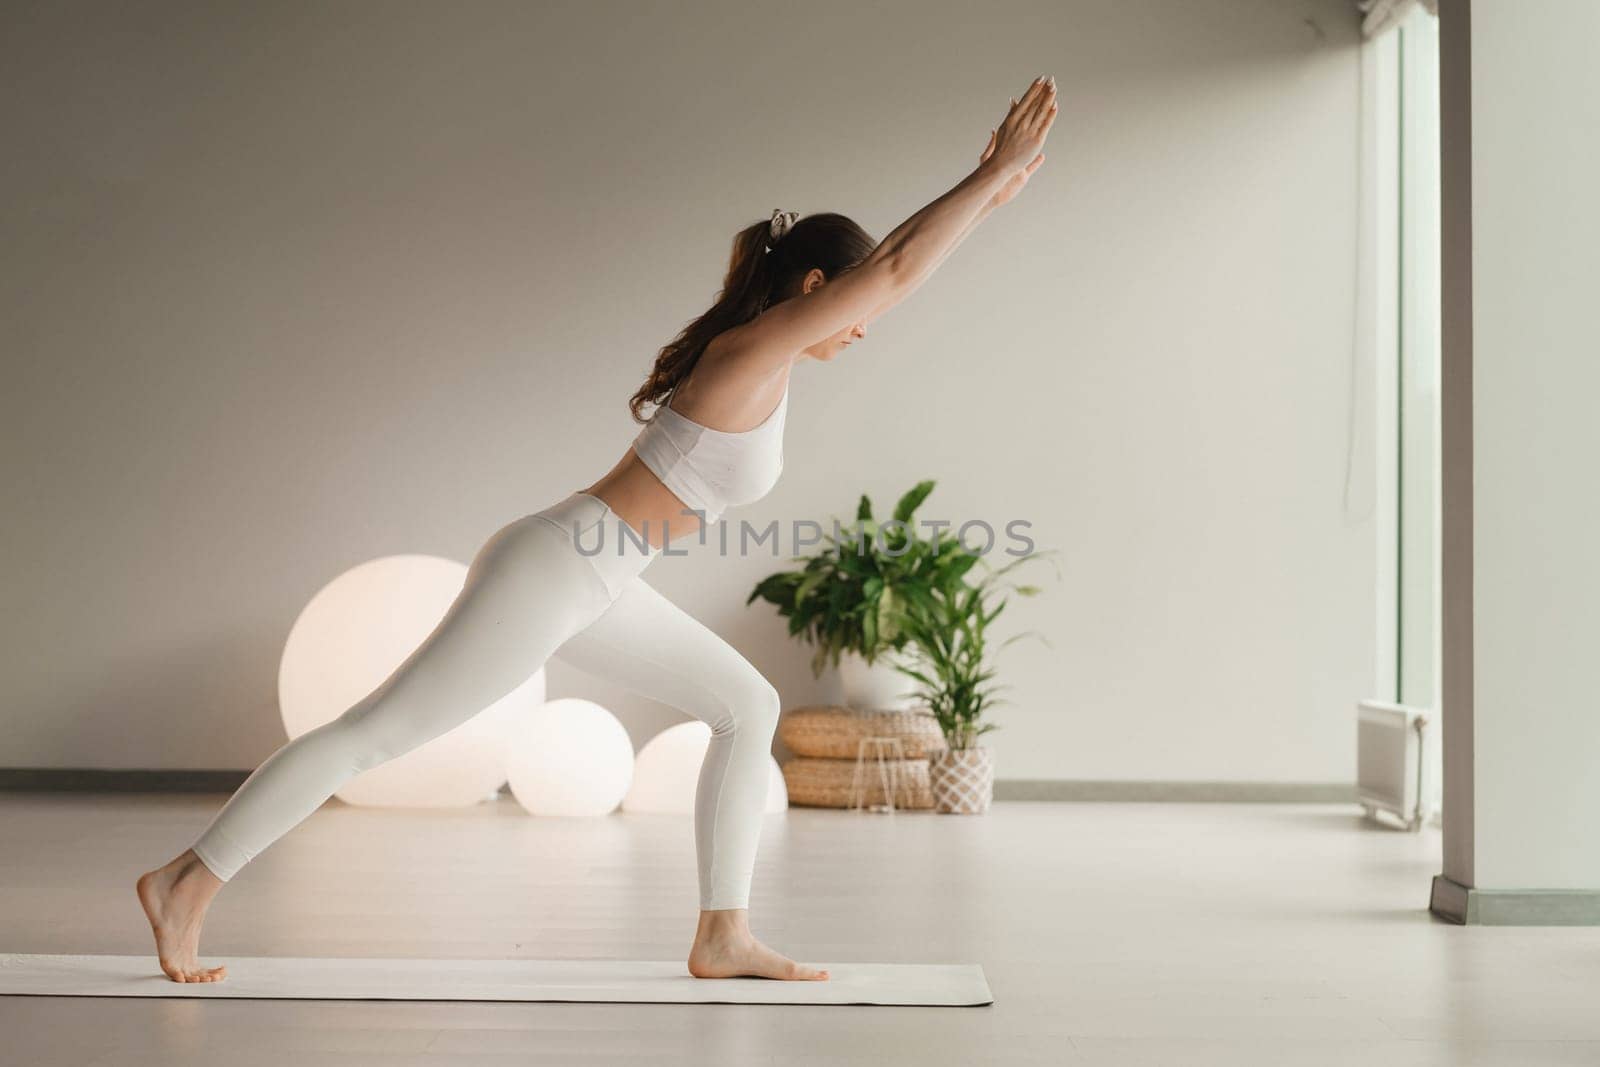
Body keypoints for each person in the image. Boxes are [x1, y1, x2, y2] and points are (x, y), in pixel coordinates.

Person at [136, 75, 1059, 984]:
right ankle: (186, 879)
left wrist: (991, 191)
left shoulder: (764, 356)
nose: (864, 330)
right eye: (850, 310)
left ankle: (722, 933)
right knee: (373, 735)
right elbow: (894, 271)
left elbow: (894, 261)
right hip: (556, 570)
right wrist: (987, 178)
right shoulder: (750, 353)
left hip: (596, 576)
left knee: (749, 706)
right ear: (815, 288)